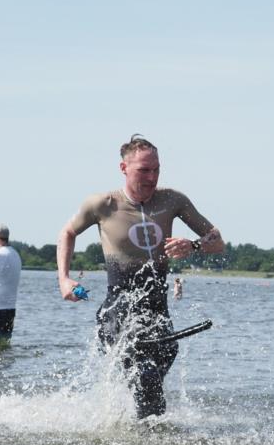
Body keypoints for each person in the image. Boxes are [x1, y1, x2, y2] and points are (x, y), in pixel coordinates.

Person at [57, 133, 224, 418]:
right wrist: (64, 278)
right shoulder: (103, 204)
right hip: (117, 310)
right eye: (144, 170)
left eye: (157, 169)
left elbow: (217, 241)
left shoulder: (173, 201)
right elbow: (67, 232)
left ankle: (136, 432)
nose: (152, 177)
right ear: (124, 168)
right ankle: (142, 439)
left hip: (158, 312)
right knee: (145, 378)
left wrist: (194, 245)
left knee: (152, 384)